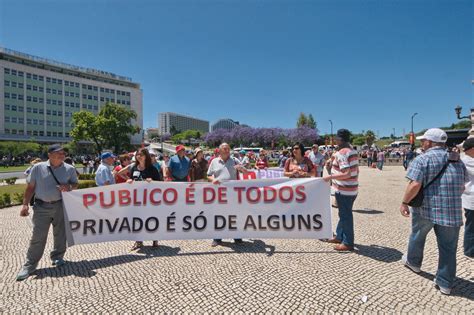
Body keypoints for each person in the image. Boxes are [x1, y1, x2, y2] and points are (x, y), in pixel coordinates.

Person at [399, 128, 467, 295]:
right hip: (451, 210)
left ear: (429, 142)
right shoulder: (457, 160)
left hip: (425, 208)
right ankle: (445, 283)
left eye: (424, 141)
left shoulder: (422, 159)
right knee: (448, 248)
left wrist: (404, 203)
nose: (422, 143)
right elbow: (463, 184)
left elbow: (414, 185)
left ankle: (413, 263)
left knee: (417, 235)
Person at [16, 144, 79, 281]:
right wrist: (25, 204)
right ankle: (29, 265)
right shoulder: (38, 168)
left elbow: (75, 184)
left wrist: (68, 187)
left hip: (61, 206)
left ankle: (58, 257)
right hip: (41, 207)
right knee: (38, 237)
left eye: (63, 153)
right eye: (58, 153)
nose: (62, 155)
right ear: (49, 155)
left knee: (60, 234)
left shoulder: (69, 169)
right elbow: (30, 187)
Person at [322, 129, 359, 251]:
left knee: (345, 216)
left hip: (344, 189)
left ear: (340, 140)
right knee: (344, 214)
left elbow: (346, 173)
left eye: (336, 139)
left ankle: (348, 243)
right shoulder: (352, 151)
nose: (335, 141)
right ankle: (339, 236)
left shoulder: (342, 153)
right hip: (352, 188)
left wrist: (330, 176)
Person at [207, 143, 247, 247]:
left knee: (234, 215)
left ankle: (237, 237)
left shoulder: (235, 160)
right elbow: (209, 175)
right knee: (219, 215)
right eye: (225, 149)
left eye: (228, 149)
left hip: (232, 193)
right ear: (220, 150)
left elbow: (246, 172)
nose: (227, 150)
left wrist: (242, 169)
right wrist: (213, 179)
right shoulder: (214, 161)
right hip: (219, 193)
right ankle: (217, 238)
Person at [128, 148, 162, 250]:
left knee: (151, 219)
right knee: (137, 220)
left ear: (146, 156)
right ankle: (138, 241)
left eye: (141, 155)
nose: (139, 156)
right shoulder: (134, 168)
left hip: (150, 200)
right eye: (138, 154)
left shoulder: (152, 169)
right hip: (137, 200)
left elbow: (159, 183)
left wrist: (152, 181)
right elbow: (131, 179)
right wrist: (129, 181)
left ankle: (155, 240)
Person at [461, 138, 474, 258]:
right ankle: (469, 250)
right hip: (471, 198)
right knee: (471, 226)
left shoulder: (462, 161)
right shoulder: (466, 162)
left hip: (468, 197)